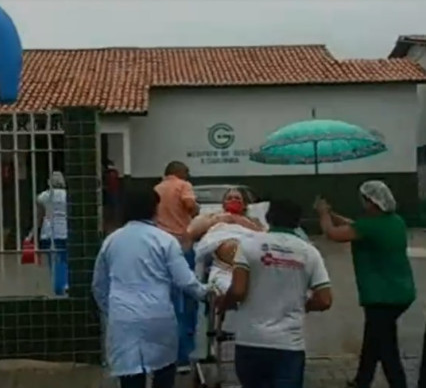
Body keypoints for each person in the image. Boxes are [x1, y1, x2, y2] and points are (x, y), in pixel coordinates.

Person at [91, 187, 211, 388]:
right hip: (158, 314)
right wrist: (208, 293)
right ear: (155, 209)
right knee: (163, 371)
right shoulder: (165, 240)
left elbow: (98, 285)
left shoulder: (111, 241)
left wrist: (113, 309)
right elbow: (185, 281)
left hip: (123, 317)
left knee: (130, 375)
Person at [217, 198, 332, 388]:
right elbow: (325, 300)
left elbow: (238, 290)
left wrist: (224, 304)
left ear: (268, 218)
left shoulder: (248, 245)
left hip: (251, 341)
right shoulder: (310, 252)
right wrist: (302, 305)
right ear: (298, 222)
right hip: (289, 345)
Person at [315, 180, 416, 388]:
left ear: (372, 202)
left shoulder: (370, 227)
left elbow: (333, 234)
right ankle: (362, 380)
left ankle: (398, 384)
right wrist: (333, 215)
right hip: (400, 292)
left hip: (382, 296)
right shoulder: (395, 221)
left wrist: (323, 213)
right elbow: (354, 225)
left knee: (386, 348)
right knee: (374, 340)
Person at [154, 161, 199, 372]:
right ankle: (184, 351)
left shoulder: (156, 189)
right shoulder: (183, 185)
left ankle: (165, 353)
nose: (188, 175)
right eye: (187, 172)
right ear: (179, 172)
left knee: (168, 298)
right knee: (188, 294)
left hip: (159, 247)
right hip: (181, 245)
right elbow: (189, 205)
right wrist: (196, 210)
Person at [35, 171, 68, 296]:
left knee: (54, 261)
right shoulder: (67, 196)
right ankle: (66, 283)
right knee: (65, 259)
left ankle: (58, 287)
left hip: (49, 232)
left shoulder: (44, 196)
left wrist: (34, 233)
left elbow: (40, 216)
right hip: (65, 230)